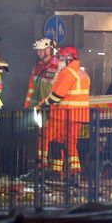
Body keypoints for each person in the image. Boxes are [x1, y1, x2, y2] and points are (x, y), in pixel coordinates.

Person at [36, 46, 90, 181]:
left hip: (62, 113)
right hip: (79, 115)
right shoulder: (83, 74)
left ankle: (40, 168)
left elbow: (56, 96)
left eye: (61, 58)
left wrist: (43, 104)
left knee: (44, 136)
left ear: (69, 59)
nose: (58, 61)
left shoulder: (67, 72)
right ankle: (75, 173)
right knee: (70, 144)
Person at [24, 38, 60, 109]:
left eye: (40, 50)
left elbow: (60, 91)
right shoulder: (37, 67)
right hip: (36, 108)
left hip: (51, 109)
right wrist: (27, 105)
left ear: (48, 50)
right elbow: (31, 88)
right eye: (37, 50)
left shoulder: (58, 67)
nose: (38, 53)